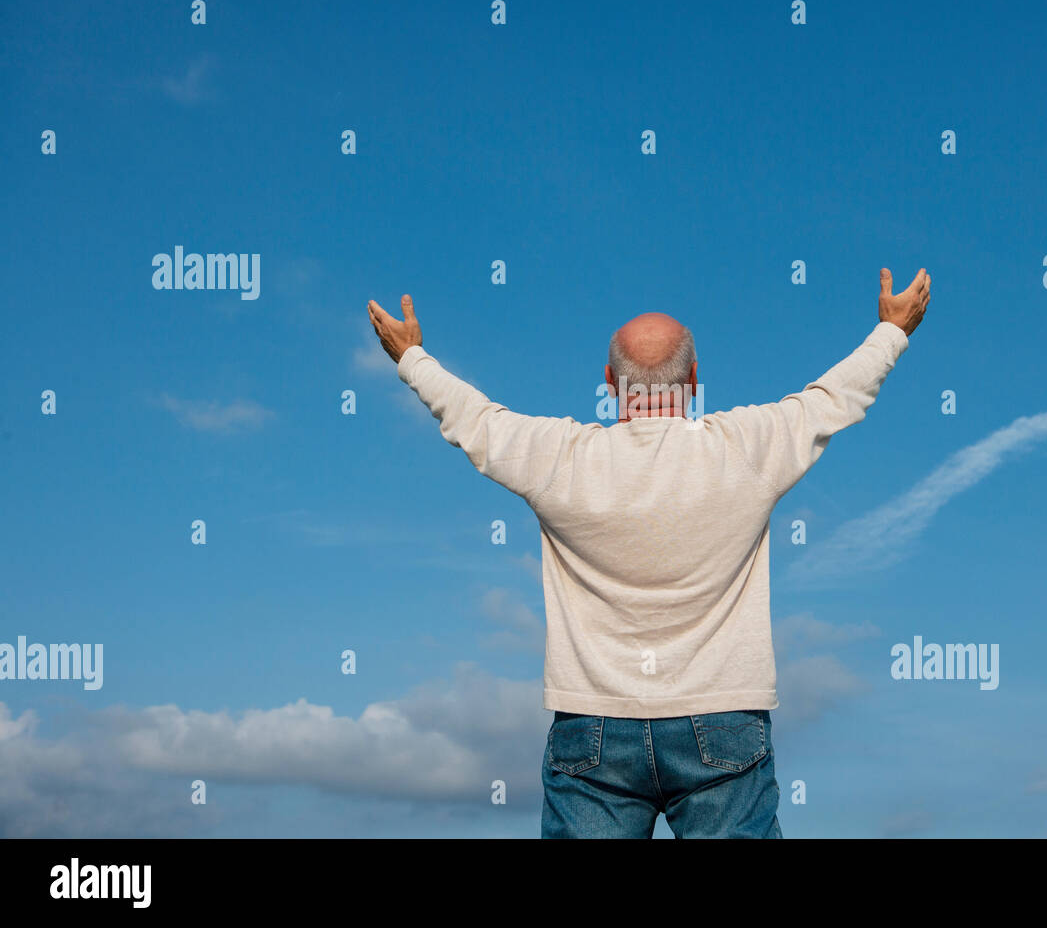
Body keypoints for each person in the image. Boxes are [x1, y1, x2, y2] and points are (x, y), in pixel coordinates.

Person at [367, 267, 931, 838]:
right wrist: (892, 330)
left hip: (593, 725)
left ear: (611, 382)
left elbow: (477, 421)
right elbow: (831, 399)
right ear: (693, 379)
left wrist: (411, 356)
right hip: (723, 716)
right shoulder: (747, 449)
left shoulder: (561, 458)